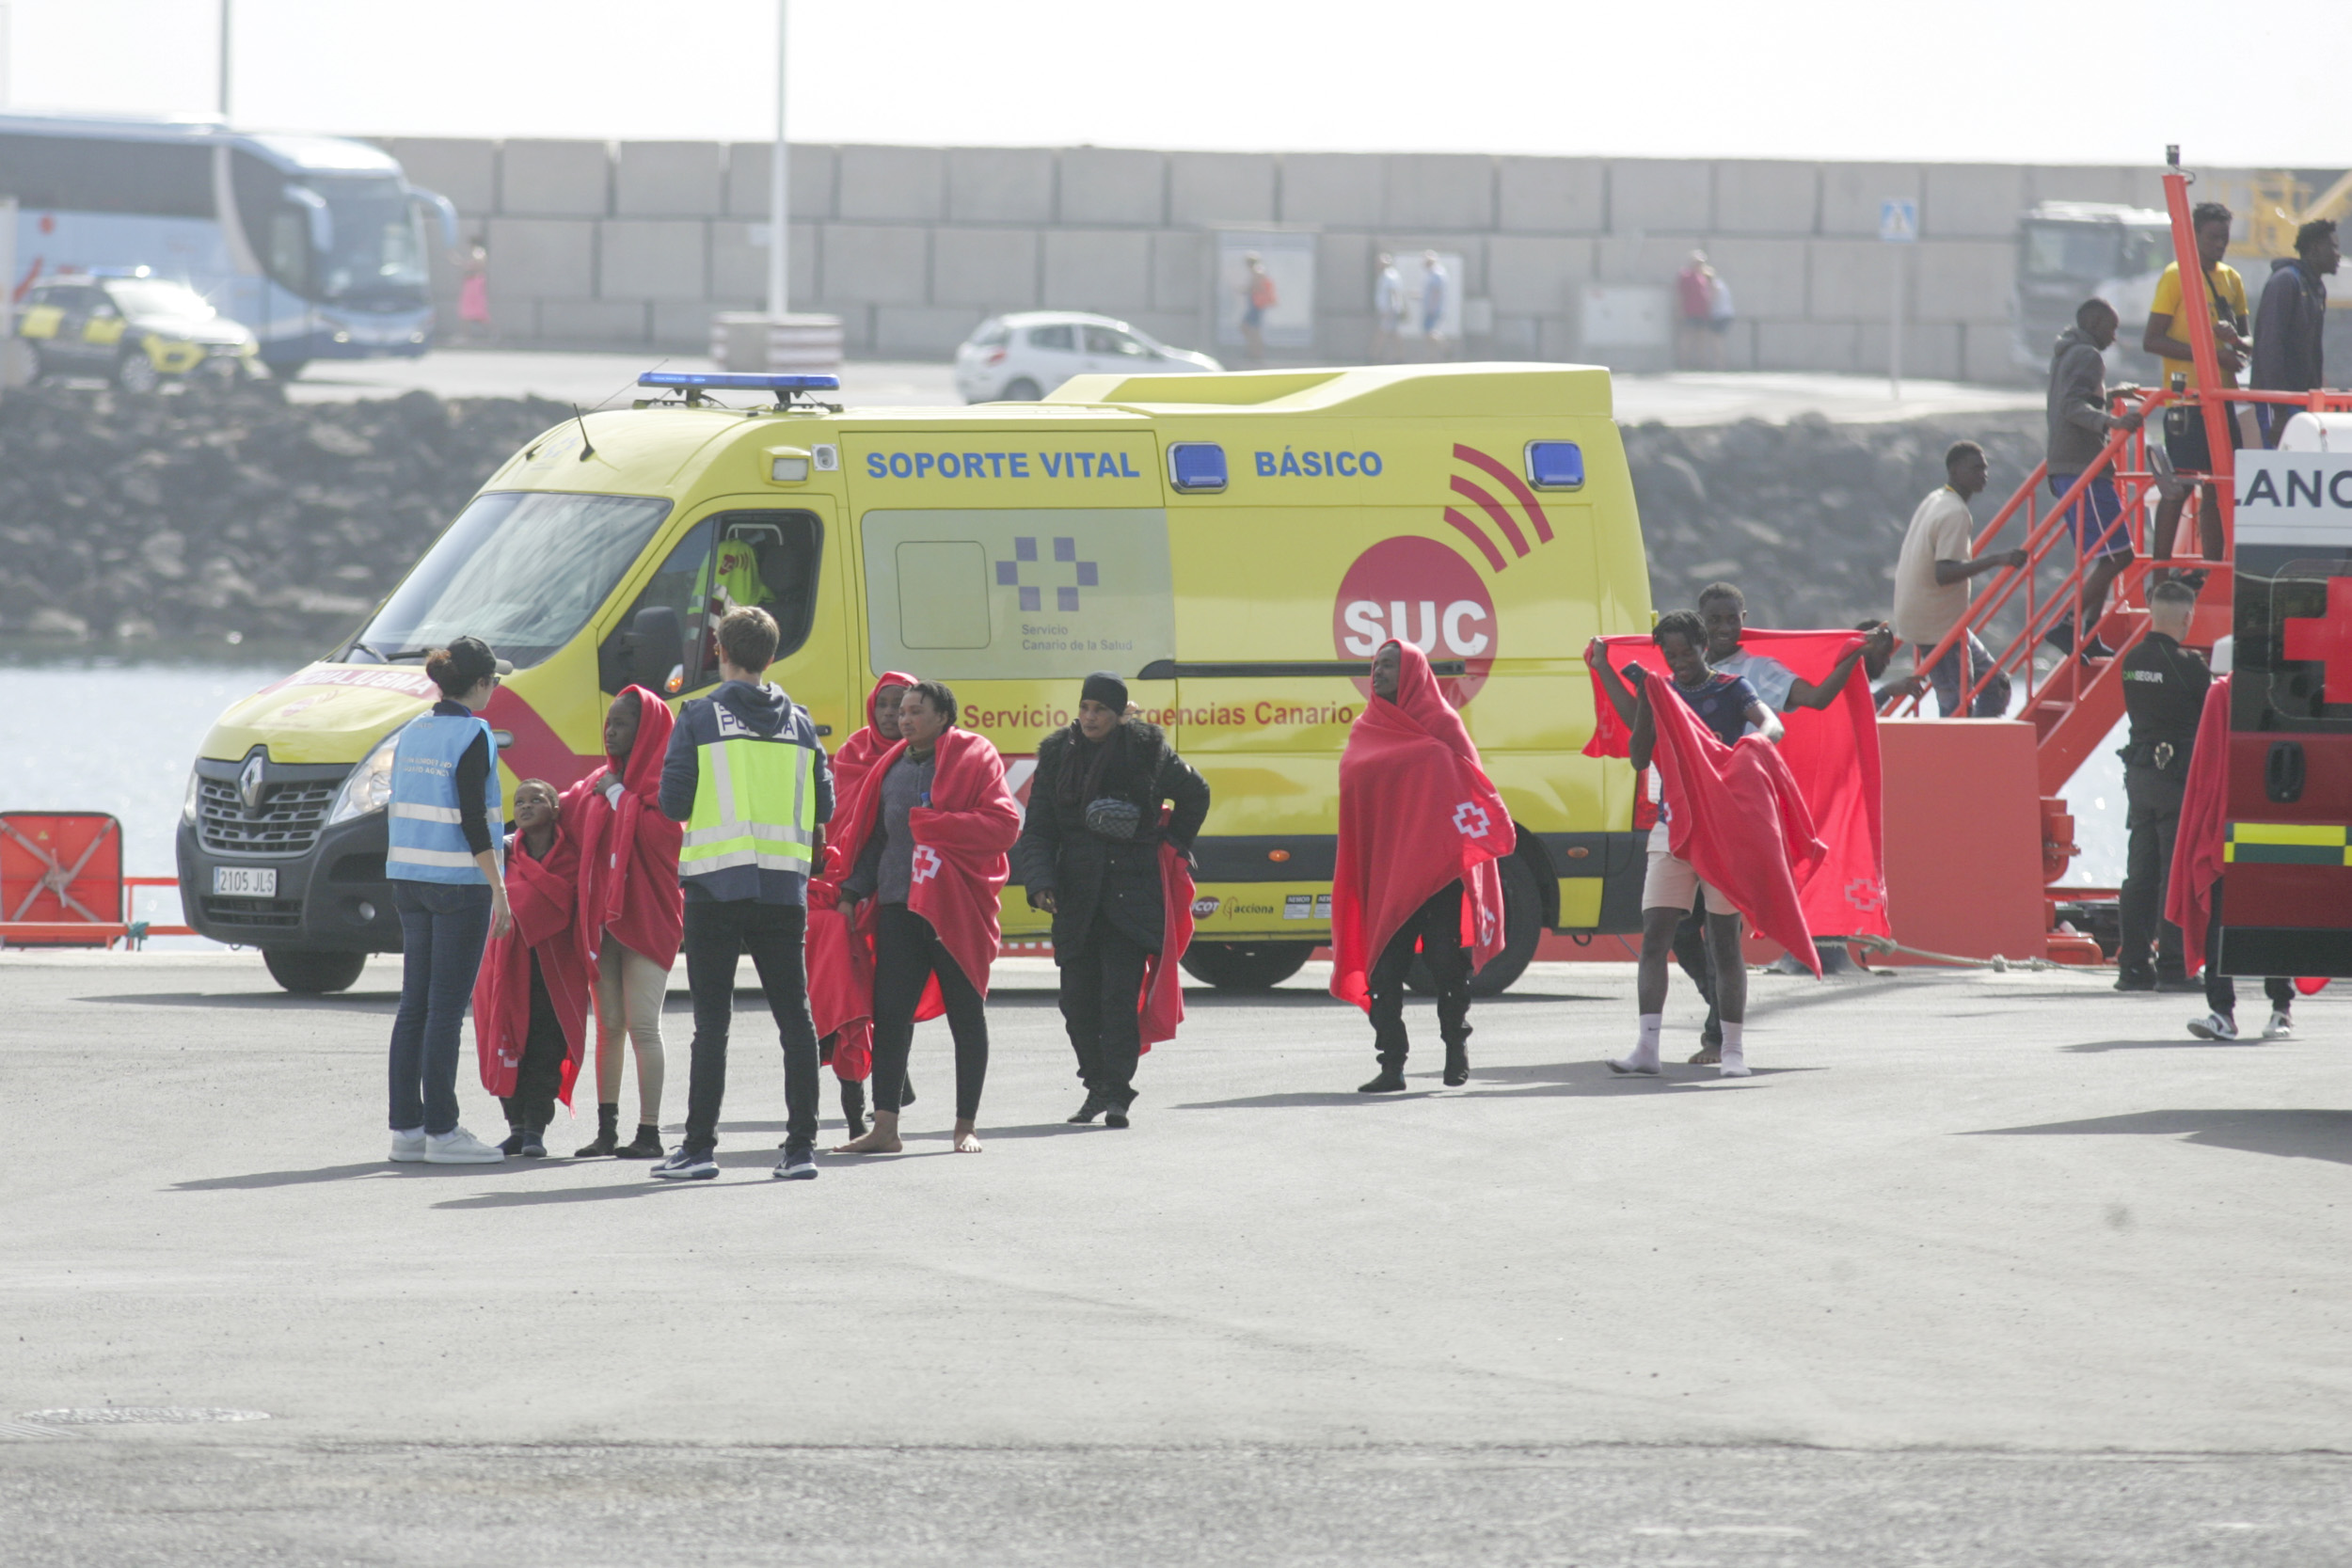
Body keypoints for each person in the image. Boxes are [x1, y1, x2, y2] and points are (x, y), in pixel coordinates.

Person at [644, 606, 833, 1181]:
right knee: (795, 1020)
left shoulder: (700, 715)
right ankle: (801, 1150)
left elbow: (674, 803)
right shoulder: (800, 722)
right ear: (771, 657)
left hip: (716, 885)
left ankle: (699, 1149)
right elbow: (824, 808)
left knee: (713, 1023)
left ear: (718, 651)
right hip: (782, 887)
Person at [1682, 582, 1887, 1054]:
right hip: (1688, 814)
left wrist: (1853, 658)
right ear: (1700, 623)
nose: (1724, 628)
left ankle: (1718, 1034)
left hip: (1736, 814)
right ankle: (1715, 1008)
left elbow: (1814, 700)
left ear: (1743, 618)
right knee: (1678, 927)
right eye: (1714, 620)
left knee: (1722, 928)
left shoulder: (1756, 671)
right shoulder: (1683, 666)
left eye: (1732, 618)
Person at [1588, 611, 1782, 1078]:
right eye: (1670, 656)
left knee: (1723, 943)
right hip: (1671, 828)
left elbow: (1772, 725)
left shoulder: (1733, 688)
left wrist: (1749, 749)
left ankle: (1732, 1051)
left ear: (1703, 646)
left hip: (1722, 831)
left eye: (1686, 653)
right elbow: (1639, 757)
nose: (1680, 663)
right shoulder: (1663, 692)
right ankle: (1646, 1049)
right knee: (1655, 936)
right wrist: (1639, 698)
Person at [832, 681, 1022, 1156]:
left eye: (916, 711)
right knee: (891, 1016)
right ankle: (885, 1128)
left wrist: (932, 823)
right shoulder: (889, 765)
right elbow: (877, 839)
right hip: (899, 905)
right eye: (901, 711)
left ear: (943, 717)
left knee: (966, 1014)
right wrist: (853, 892)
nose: (904, 718)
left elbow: (1004, 826)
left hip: (954, 910)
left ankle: (965, 1126)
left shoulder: (975, 757)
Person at [1018, 672, 1211, 1128]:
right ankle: (1097, 1086)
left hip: (1131, 894)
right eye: (1084, 707)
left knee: (1119, 1000)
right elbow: (1040, 827)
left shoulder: (1147, 750)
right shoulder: (1056, 755)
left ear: (1119, 714)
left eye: (1100, 710)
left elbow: (1196, 793)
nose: (1090, 717)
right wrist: (1040, 881)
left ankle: (1118, 1092)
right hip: (1075, 896)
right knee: (1076, 1003)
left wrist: (1166, 842)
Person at [1329, 641, 1513, 1093]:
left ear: (1412, 673)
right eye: (1376, 666)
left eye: (1390, 666)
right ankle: (1392, 1064)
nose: (1380, 673)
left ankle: (1456, 1049)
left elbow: (1471, 785)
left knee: (1445, 962)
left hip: (1438, 873)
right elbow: (1357, 791)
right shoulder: (1365, 728)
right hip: (1387, 871)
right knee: (1384, 968)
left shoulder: (1442, 723)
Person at [384, 636, 513, 1165]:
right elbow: (471, 816)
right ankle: (443, 1130)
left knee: (414, 1004)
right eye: (495, 681)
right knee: (445, 1010)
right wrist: (500, 890)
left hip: (407, 877)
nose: (496, 690)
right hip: (459, 884)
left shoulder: (412, 731)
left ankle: (407, 1130)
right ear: (479, 684)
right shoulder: (475, 734)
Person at [563, 686, 683, 1161]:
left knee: (642, 1027)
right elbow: (563, 816)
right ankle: (606, 1131)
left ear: (648, 729)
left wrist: (619, 797)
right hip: (603, 924)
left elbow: (664, 837)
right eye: (608, 722)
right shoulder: (598, 782)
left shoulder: (666, 784)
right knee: (608, 1025)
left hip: (649, 919)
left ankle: (649, 1132)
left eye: (622, 723)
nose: (610, 731)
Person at [806, 671, 918, 1137]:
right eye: (884, 706)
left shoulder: (921, 757)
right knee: (853, 986)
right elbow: (835, 822)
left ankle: (889, 1083)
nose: (891, 715)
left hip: (894, 889)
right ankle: (872, 1088)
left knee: (888, 993)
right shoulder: (853, 753)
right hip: (845, 882)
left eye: (902, 706)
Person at [2167, 671, 2297, 1043]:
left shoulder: (2224, 694)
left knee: (2274, 911)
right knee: (2241, 913)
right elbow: (2209, 771)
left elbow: (2205, 773)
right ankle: (2225, 1011)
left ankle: (2278, 1008)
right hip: (2244, 820)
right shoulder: (2224, 694)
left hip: (2266, 817)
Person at [473, 779, 591, 1158]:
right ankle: (516, 1127)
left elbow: (569, 903)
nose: (524, 806)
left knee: (546, 1048)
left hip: (554, 972)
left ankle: (536, 1129)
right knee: (508, 1043)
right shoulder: (503, 858)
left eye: (536, 800)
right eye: (519, 801)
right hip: (509, 969)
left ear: (556, 809)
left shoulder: (572, 858)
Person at [2143, 201, 2248, 570]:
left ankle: (2212, 570)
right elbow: (2152, 339)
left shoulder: (2231, 280)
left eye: (2224, 237)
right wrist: (2209, 355)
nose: (2220, 244)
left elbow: (2248, 344)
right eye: (2213, 237)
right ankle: (2159, 572)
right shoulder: (2175, 277)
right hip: (2187, 404)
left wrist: (2233, 341)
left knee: (2219, 487)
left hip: (2222, 399)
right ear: (2194, 236)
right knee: (2181, 486)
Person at [2115, 579, 2208, 992]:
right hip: (2176, 779)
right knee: (2176, 871)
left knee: (2140, 873)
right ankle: (2174, 965)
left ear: (2152, 610)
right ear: (2188, 616)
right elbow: (2212, 714)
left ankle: (2133, 966)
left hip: (2140, 776)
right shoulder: (2190, 665)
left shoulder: (2131, 661)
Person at [2044, 299, 2148, 658]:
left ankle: (2088, 632)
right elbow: (2072, 407)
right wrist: (2113, 421)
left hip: (2067, 469)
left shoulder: (2066, 352)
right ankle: (2067, 625)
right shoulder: (2088, 354)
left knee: (2110, 556)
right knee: (2120, 556)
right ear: (2092, 321)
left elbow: (2073, 399)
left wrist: (2110, 397)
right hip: (2082, 468)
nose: (2114, 338)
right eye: (2110, 328)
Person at [1890, 442, 2024, 719]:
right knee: (1956, 705)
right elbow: (1945, 573)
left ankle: (1978, 753)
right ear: (1954, 471)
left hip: (1935, 619)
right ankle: (1955, 759)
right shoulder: (1955, 512)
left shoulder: (1937, 498)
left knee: (1995, 685)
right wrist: (1998, 559)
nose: (1983, 474)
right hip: (1936, 627)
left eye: (1985, 468)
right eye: (1975, 468)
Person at [2251, 218, 2338, 447]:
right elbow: (2270, 345)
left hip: (2301, 399)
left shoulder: (2316, 288)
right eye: (2334, 247)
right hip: (2277, 401)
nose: (2338, 254)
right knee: (2278, 462)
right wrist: (2279, 411)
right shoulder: (2286, 282)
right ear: (2315, 248)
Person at [1677, 250, 1719, 370]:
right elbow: (1680, 294)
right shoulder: (1685, 276)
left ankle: (1701, 363)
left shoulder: (1703, 276)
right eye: (1697, 263)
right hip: (1689, 311)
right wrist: (1679, 310)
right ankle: (1683, 363)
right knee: (1687, 337)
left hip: (1702, 312)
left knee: (1701, 338)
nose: (1700, 265)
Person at [1240, 252, 1275, 366]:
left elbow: (1257, 287)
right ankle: (1254, 351)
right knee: (1250, 327)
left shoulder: (1257, 271)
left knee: (1251, 328)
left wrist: (1246, 290)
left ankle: (1256, 353)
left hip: (1256, 304)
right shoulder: (1259, 270)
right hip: (1256, 304)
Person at [1372, 252, 1406, 362]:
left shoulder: (1389, 276)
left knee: (1382, 332)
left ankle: (1373, 356)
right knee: (1393, 333)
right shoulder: (1386, 275)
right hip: (1389, 310)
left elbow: (1393, 293)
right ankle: (1399, 357)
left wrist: (1391, 309)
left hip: (1390, 310)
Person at [456, 242, 491, 343]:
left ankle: (492, 334)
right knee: (465, 313)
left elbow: (475, 266)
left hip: (474, 285)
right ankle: (465, 335)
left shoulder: (478, 254)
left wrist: (466, 265)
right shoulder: (477, 255)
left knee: (479, 313)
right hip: (471, 285)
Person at [1419, 250, 1451, 358]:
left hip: (1433, 309)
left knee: (1430, 332)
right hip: (1431, 307)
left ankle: (1445, 347)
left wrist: (1432, 307)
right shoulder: (1432, 273)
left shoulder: (1436, 274)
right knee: (1427, 333)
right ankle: (1431, 356)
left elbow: (1436, 292)